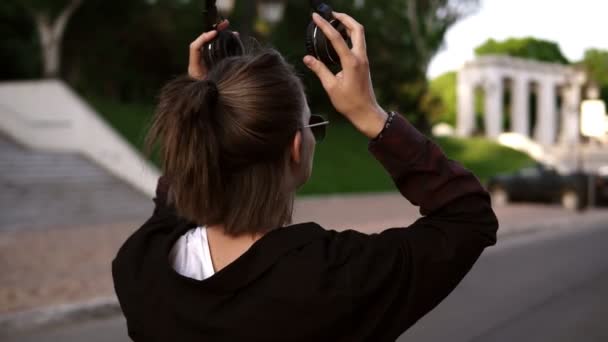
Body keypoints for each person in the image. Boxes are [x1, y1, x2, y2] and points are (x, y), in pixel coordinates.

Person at [112, 11, 498, 342]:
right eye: (312, 125)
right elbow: (468, 217)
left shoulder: (140, 267)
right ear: (297, 147)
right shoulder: (332, 281)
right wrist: (371, 116)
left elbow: (175, 196)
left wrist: (207, 113)